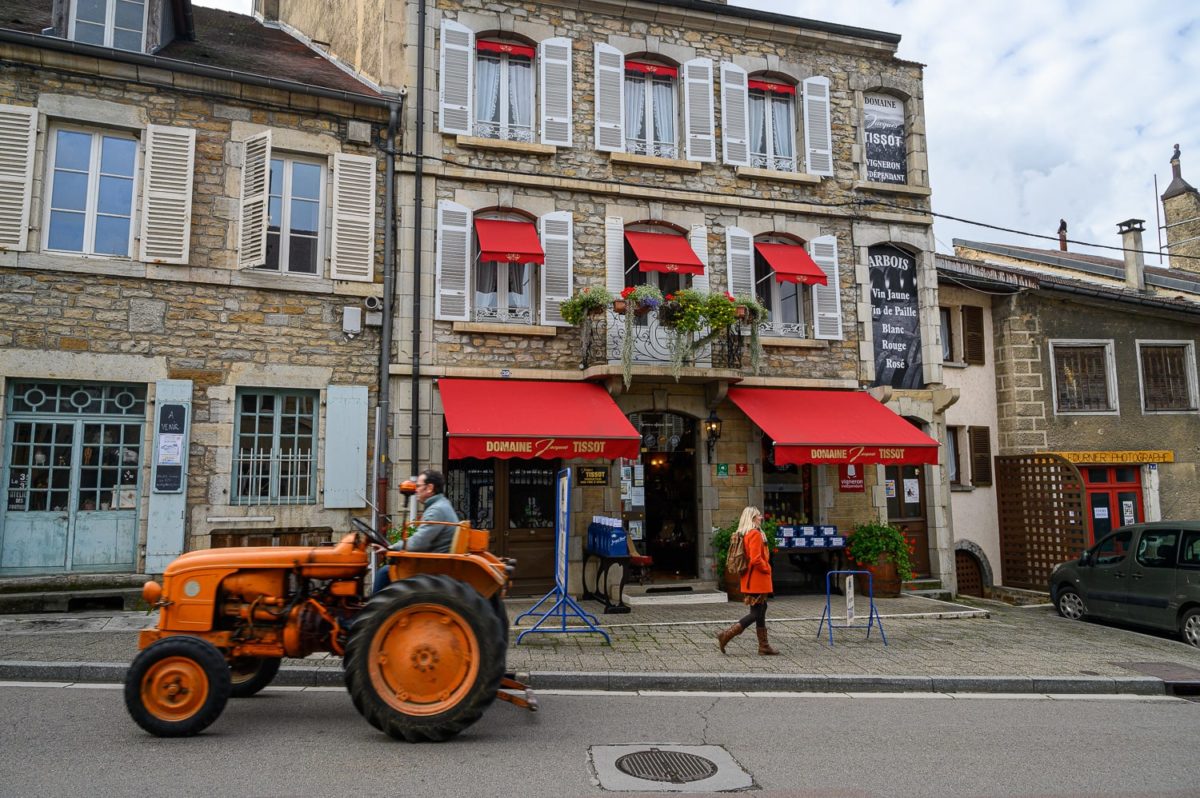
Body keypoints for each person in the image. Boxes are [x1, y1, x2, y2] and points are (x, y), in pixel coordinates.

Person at [372, 469, 459, 593]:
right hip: (436, 562)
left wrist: (391, 548)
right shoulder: (442, 505)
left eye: (418, 486)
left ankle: (375, 611)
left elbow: (416, 544)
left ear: (429, 488)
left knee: (385, 573)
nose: (415, 489)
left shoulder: (436, 510)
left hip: (434, 566)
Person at [716, 506, 779, 655]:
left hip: (752, 579)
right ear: (752, 518)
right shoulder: (755, 534)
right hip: (756, 579)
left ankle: (764, 646)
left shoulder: (748, 534)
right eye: (758, 515)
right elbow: (756, 559)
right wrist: (768, 569)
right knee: (756, 612)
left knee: (761, 609)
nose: (761, 517)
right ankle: (726, 635)